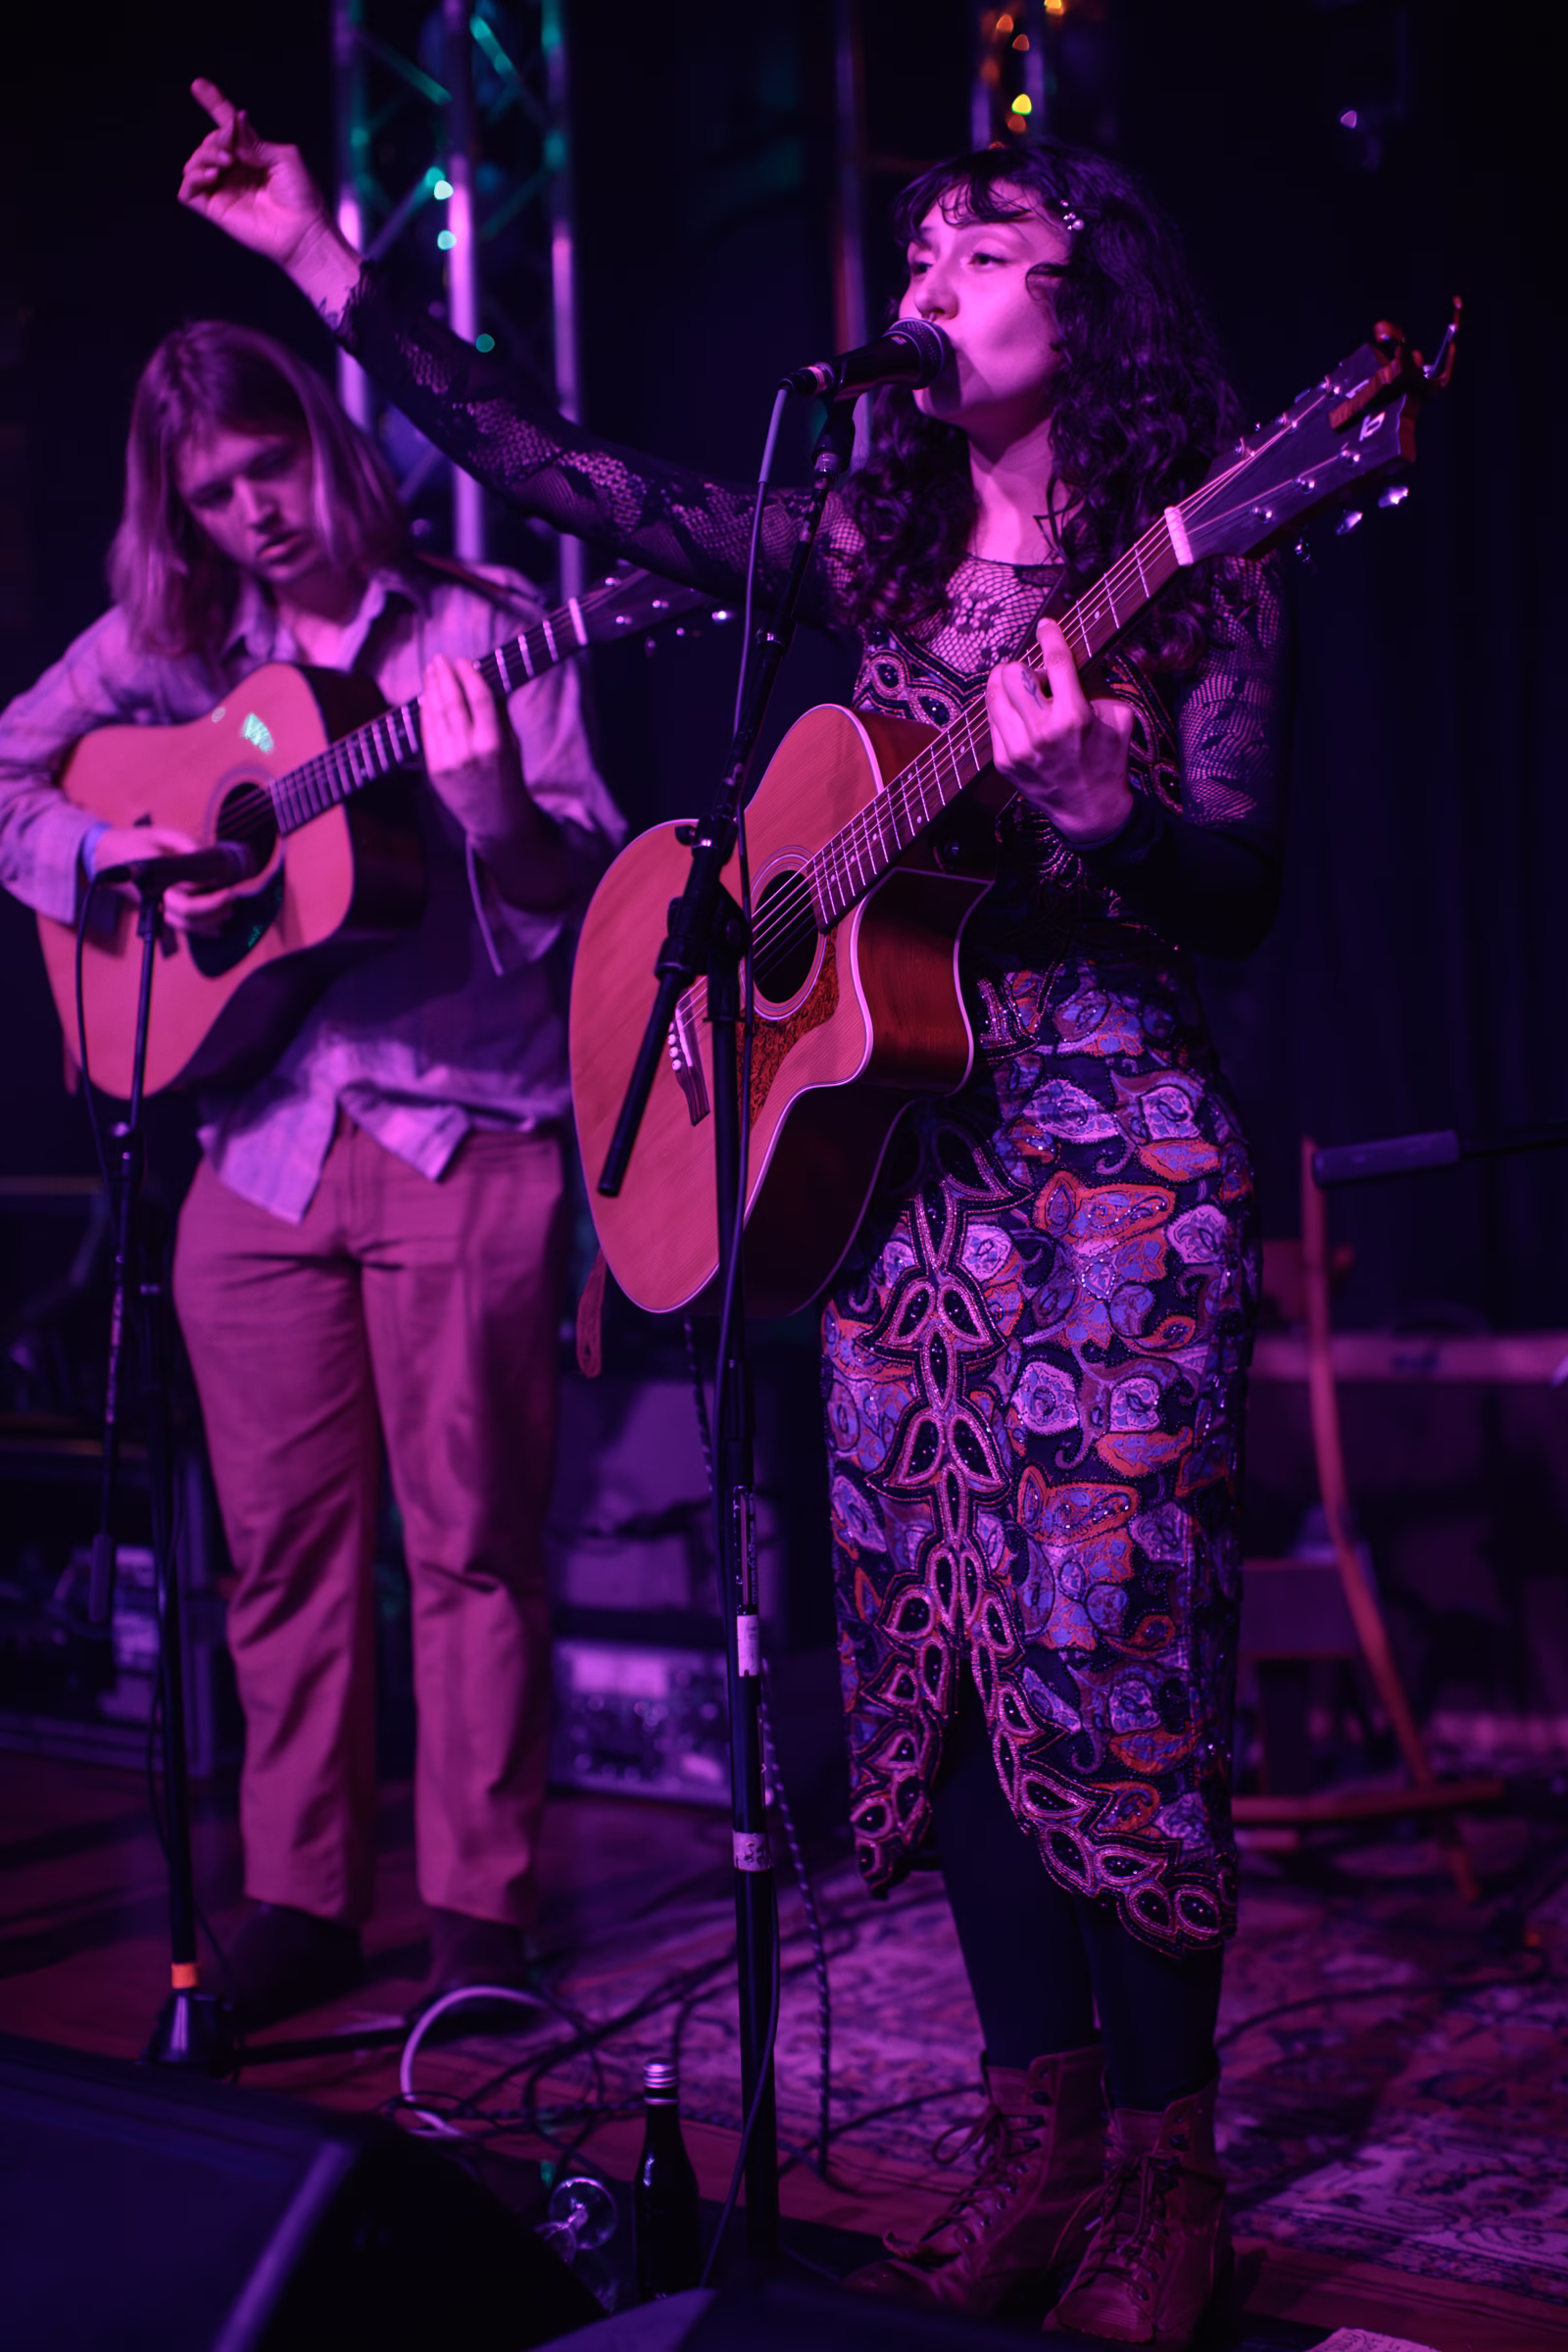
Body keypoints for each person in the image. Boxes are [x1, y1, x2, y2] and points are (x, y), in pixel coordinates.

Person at [177, 82, 1289, 2345]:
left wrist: (1111, 814)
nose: (928, 280)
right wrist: (317, 263)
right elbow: (559, 469)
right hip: (889, 1175)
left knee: (1116, 1664)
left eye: (981, 250)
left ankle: (1164, 2180)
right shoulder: (864, 540)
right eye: (921, 251)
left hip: (1108, 1162)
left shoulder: (1203, 553)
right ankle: (1033, 2143)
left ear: (1089, 300)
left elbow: (1240, 890)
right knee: (944, 1671)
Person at [0, 316, 625, 2032]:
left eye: (268, 468)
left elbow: (578, 890)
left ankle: (478, 1917)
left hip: (460, 1129)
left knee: (472, 1547)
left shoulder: (489, 628)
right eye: (211, 497)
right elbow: (8, 769)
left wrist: (492, 814)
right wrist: (112, 849)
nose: (251, 515)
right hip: (257, 1149)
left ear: (323, 444)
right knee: (277, 1555)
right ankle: (299, 1899)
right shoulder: (180, 647)